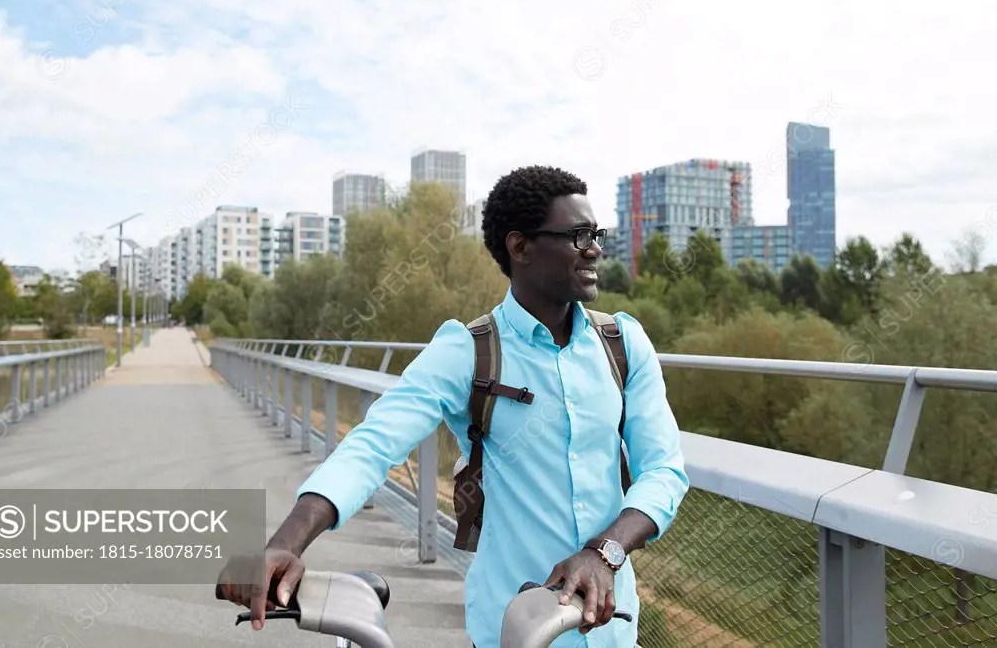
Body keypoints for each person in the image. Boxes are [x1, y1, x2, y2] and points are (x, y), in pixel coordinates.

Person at [215, 165, 689, 647]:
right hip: (511, 625)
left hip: (612, 624)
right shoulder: (468, 351)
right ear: (520, 246)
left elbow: (664, 471)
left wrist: (604, 553)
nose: (595, 248)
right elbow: (373, 446)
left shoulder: (623, 343)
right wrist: (285, 544)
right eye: (578, 235)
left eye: (597, 234)